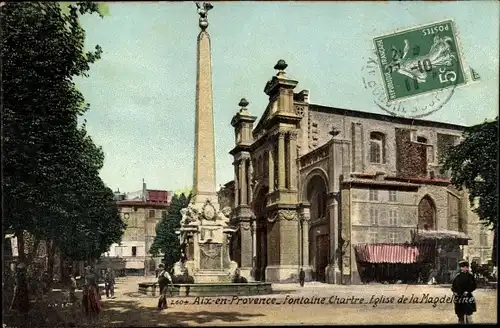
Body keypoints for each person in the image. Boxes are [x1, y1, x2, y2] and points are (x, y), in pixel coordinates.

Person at [451, 260, 477, 324]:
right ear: (461, 268)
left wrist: (468, 291)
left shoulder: (470, 276)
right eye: (462, 267)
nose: (464, 268)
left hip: (468, 296)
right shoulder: (458, 276)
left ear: (468, 268)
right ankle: (460, 321)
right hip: (459, 296)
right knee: (460, 314)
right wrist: (455, 292)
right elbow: (453, 286)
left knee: (469, 314)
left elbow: (474, 285)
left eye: (466, 267)